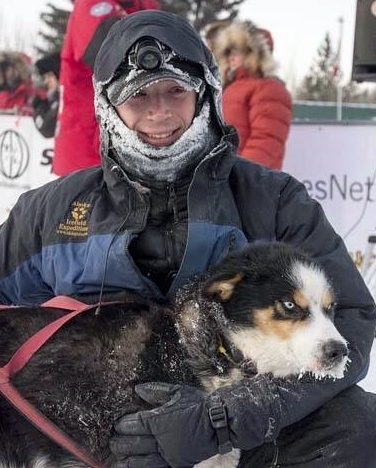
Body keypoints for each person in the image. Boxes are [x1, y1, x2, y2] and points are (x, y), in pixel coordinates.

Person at [0, 9, 375, 468]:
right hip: (84, 432)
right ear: (108, 108)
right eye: (138, 97)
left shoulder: (274, 201)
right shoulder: (51, 212)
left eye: (176, 91)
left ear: (205, 95)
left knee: (353, 427)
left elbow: (351, 320)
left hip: (246, 421)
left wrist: (229, 419)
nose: (159, 112)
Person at [53, 0, 160, 176]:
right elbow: (111, 57)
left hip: (124, 148)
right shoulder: (91, 5)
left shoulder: (141, 8)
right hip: (89, 150)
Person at [210, 20, 293, 170]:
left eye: (238, 51)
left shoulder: (270, 89)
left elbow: (266, 141)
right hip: (223, 181)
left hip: (250, 184)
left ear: (255, 54)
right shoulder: (227, 89)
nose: (232, 58)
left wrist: (241, 177)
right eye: (228, 52)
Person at [31, 51, 61, 138]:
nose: (46, 81)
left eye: (50, 76)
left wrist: (39, 108)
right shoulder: (53, 99)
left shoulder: (65, 98)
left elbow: (47, 128)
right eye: (44, 77)